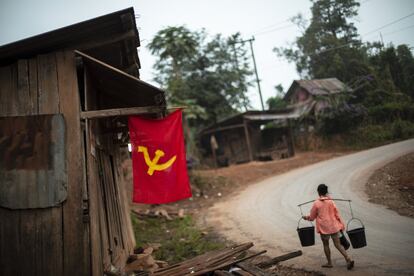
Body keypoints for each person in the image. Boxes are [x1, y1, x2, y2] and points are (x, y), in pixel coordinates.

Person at [303, 184, 354, 270]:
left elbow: (312, 217)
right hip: (334, 226)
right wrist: (341, 225)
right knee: (338, 244)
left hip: (324, 228)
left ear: (318, 192)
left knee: (326, 245)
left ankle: (329, 263)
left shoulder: (316, 203)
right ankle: (348, 259)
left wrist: (306, 217)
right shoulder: (331, 202)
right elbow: (337, 214)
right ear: (326, 192)